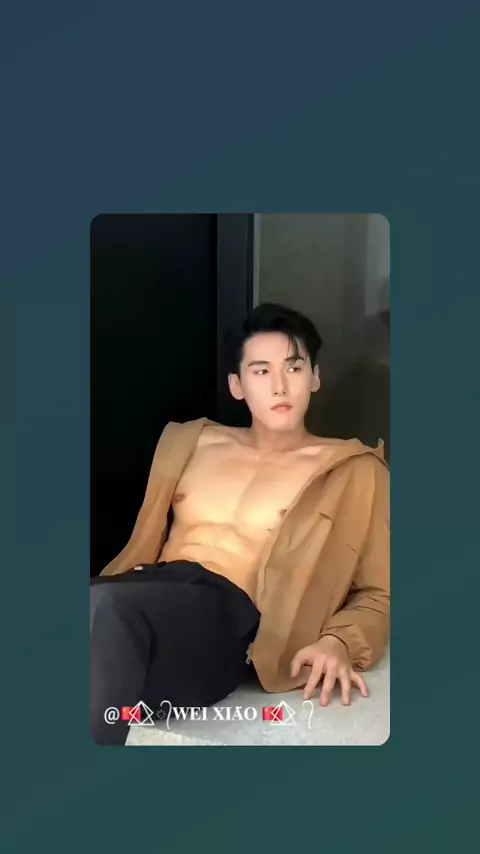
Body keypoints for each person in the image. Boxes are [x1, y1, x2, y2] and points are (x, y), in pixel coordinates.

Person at [90, 303, 390, 745]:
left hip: (228, 620)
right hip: (145, 592)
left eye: (294, 367)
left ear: (315, 377)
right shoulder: (190, 442)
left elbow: (379, 592)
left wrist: (340, 642)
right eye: (261, 371)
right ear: (237, 385)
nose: (280, 385)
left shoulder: (352, 471)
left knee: (108, 609)